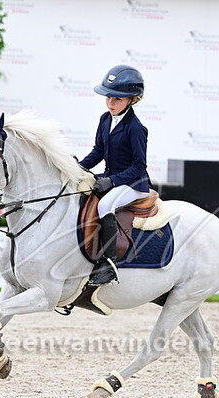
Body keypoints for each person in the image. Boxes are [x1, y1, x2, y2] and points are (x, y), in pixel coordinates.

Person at [78, 65, 151, 287]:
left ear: (132, 99)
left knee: (105, 205)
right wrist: (78, 168)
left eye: (117, 99)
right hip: (112, 177)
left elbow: (139, 165)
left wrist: (111, 181)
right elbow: (98, 151)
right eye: (108, 97)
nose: (110, 102)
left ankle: (108, 264)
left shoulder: (136, 128)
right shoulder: (105, 119)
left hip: (133, 183)